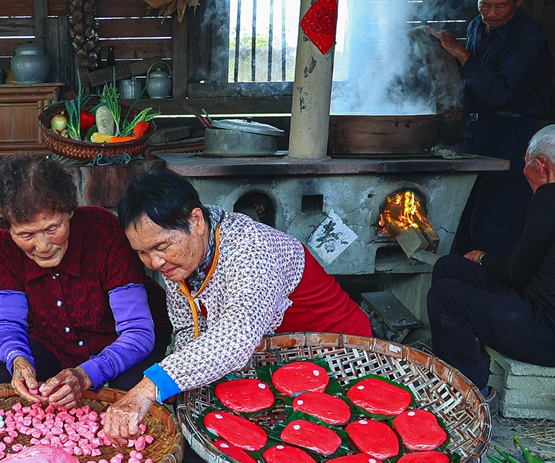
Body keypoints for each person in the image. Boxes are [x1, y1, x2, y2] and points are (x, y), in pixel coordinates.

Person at [101, 169, 374, 439]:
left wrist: (151, 387)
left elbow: (237, 337)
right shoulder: (179, 261)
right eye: (142, 252)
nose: (154, 263)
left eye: (162, 246)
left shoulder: (253, 248)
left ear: (196, 221)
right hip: (275, 365)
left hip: (339, 356)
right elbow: (188, 329)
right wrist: (179, 388)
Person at [425, 124, 555, 401]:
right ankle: (458, 359)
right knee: (450, 267)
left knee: (445, 296)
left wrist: (483, 257)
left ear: (541, 166)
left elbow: (516, 273)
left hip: (548, 335)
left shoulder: (550, 197)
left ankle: (472, 394)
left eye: (526, 167)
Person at [0, 153, 160, 406]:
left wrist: (87, 373)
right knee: (0, 375)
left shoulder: (105, 231)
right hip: (53, 343)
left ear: (69, 211)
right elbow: (8, 323)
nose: (42, 246)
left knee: (133, 388)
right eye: (26, 234)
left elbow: (137, 332)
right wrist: (18, 359)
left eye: (52, 228)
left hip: (117, 343)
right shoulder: (5, 247)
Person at [436, 0, 555, 257]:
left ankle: (491, 293)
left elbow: (500, 92)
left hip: (511, 134)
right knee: (463, 212)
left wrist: (463, 54)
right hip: (477, 130)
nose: (490, 13)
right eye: (484, 4)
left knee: (496, 221)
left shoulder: (529, 36)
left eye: (500, 6)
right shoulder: (477, 26)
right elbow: (471, 82)